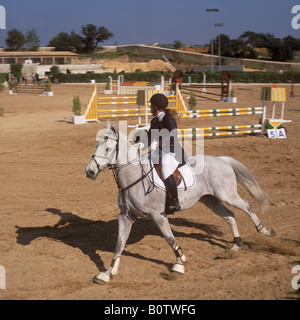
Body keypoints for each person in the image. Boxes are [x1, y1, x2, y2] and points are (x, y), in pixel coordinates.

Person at [138, 93, 187, 214]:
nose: (150, 108)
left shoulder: (168, 118)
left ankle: (174, 201)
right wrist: (139, 145)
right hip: (160, 151)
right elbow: (150, 137)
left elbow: (173, 134)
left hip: (172, 151)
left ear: (156, 107)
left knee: (165, 171)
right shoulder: (154, 120)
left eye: (151, 106)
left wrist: (159, 143)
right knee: (144, 164)